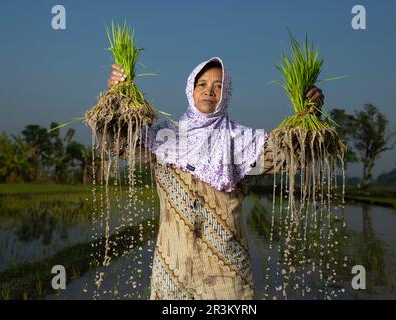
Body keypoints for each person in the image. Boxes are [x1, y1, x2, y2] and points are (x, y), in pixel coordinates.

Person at [107, 57, 324, 299]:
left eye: (218, 85)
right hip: (172, 269)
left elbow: (294, 153)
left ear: (226, 93)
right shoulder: (165, 137)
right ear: (191, 89)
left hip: (226, 272)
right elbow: (120, 144)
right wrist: (118, 96)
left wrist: (310, 112)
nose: (209, 91)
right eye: (202, 84)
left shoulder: (243, 143)